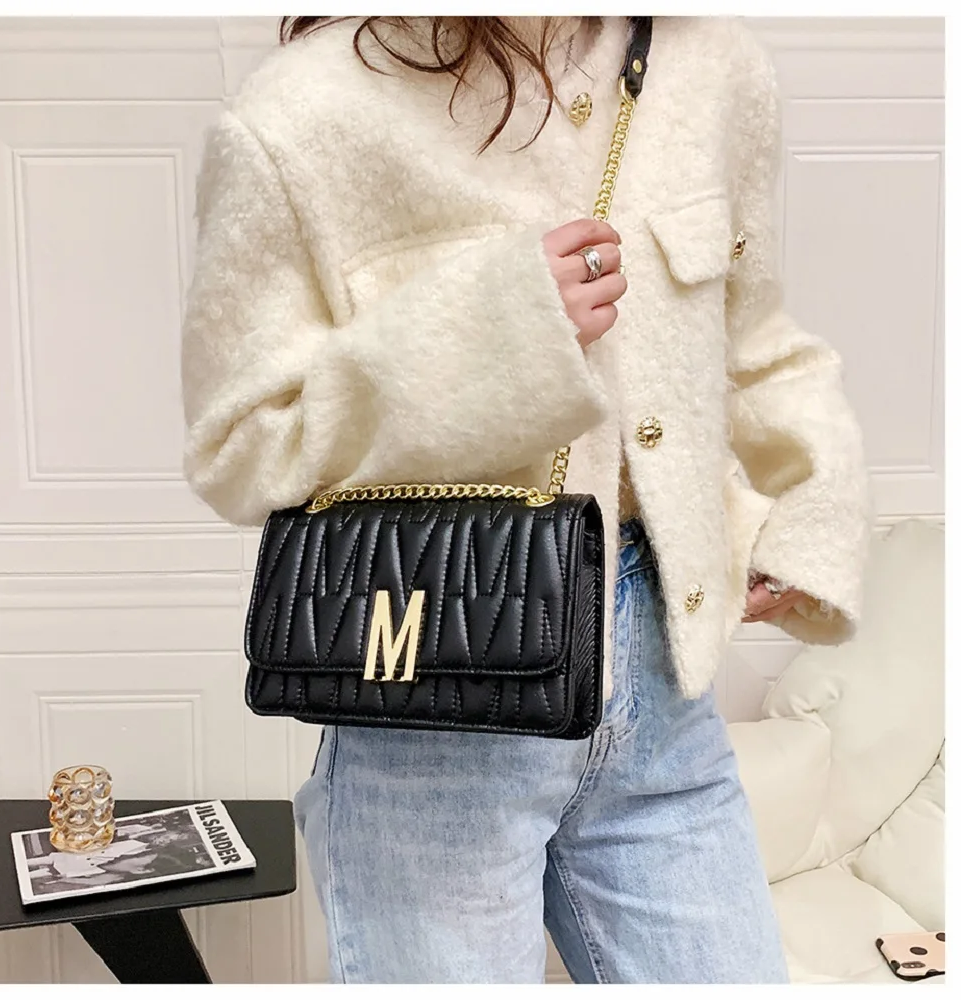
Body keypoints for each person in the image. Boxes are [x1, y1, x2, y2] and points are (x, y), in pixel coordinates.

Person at [180, 16, 870, 984]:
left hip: (665, 694)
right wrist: (488, 335)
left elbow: (755, 343)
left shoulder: (711, 68)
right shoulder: (300, 114)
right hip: (430, 704)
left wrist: (803, 512)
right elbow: (239, 440)